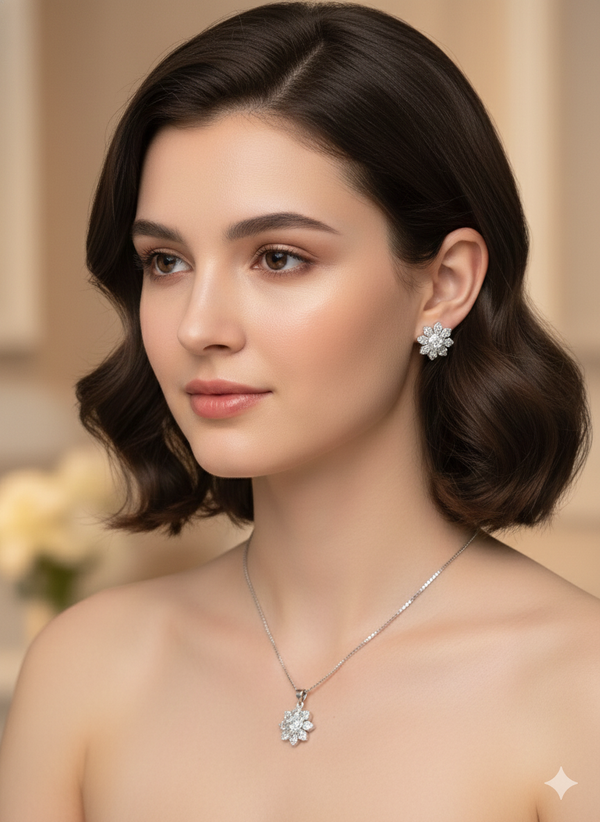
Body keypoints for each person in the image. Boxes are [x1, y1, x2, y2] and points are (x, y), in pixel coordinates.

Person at [0, 2, 598, 818]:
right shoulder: (84, 670)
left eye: (278, 258)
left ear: (444, 284)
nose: (199, 327)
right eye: (166, 261)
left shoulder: (579, 692)